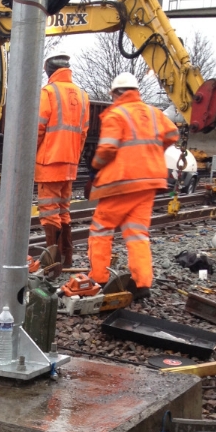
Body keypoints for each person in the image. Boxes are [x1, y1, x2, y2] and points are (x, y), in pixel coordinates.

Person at [87, 72, 178, 300]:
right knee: (137, 234)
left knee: (101, 230)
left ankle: (98, 278)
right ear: (135, 91)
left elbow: (108, 148)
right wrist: (152, 152)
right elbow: (173, 134)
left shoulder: (116, 114)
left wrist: (95, 166)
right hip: (149, 183)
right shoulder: (154, 113)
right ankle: (142, 284)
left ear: (117, 93)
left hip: (121, 182)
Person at [35, 52, 90, 270]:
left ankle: (53, 263)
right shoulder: (82, 95)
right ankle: (66, 258)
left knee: (49, 213)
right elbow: (83, 133)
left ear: (50, 71)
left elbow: (38, 128)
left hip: (49, 161)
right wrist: (73, 155)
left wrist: (34, 154)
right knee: (64, 210)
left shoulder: (48, 92)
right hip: (70, 162)